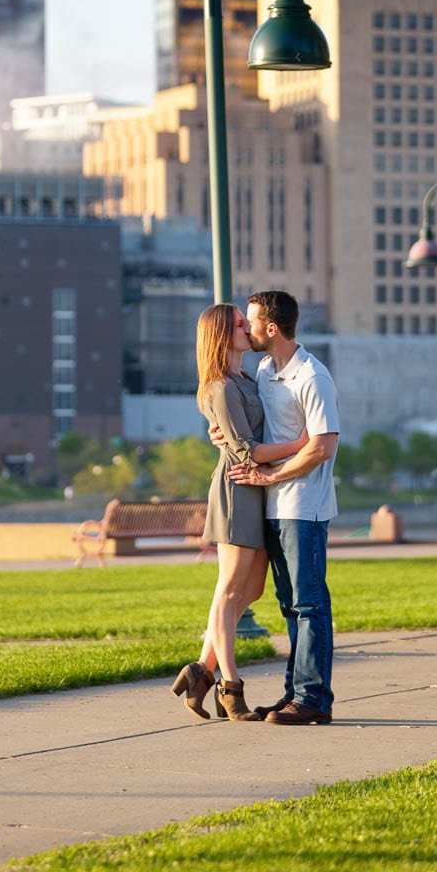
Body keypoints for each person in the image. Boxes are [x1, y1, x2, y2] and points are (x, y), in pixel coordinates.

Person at [170, 303, 306, 722]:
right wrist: (301, 444)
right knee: (230, 590)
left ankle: (200, 671)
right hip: (237, 488)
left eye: (247, 323)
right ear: (221, 335)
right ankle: (230, 687)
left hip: (258, 487)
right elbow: (246, 449)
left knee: (251, 591)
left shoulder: (244, 378)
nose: (248, 329)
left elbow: (239, 436)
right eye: (240, 324)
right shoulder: (220, 387)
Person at [226, 290, 340, 726]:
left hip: (303, 507)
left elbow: (323, 447)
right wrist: (226, 436)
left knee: (310, 604)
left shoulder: (313, 376)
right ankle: (295, 693)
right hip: (274, 506)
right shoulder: (264, 370)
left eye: (251, 322)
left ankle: (313, 700)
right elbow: (256, 425)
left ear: (271, 329)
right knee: (290, 605)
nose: (247, 329)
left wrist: (272, 477)